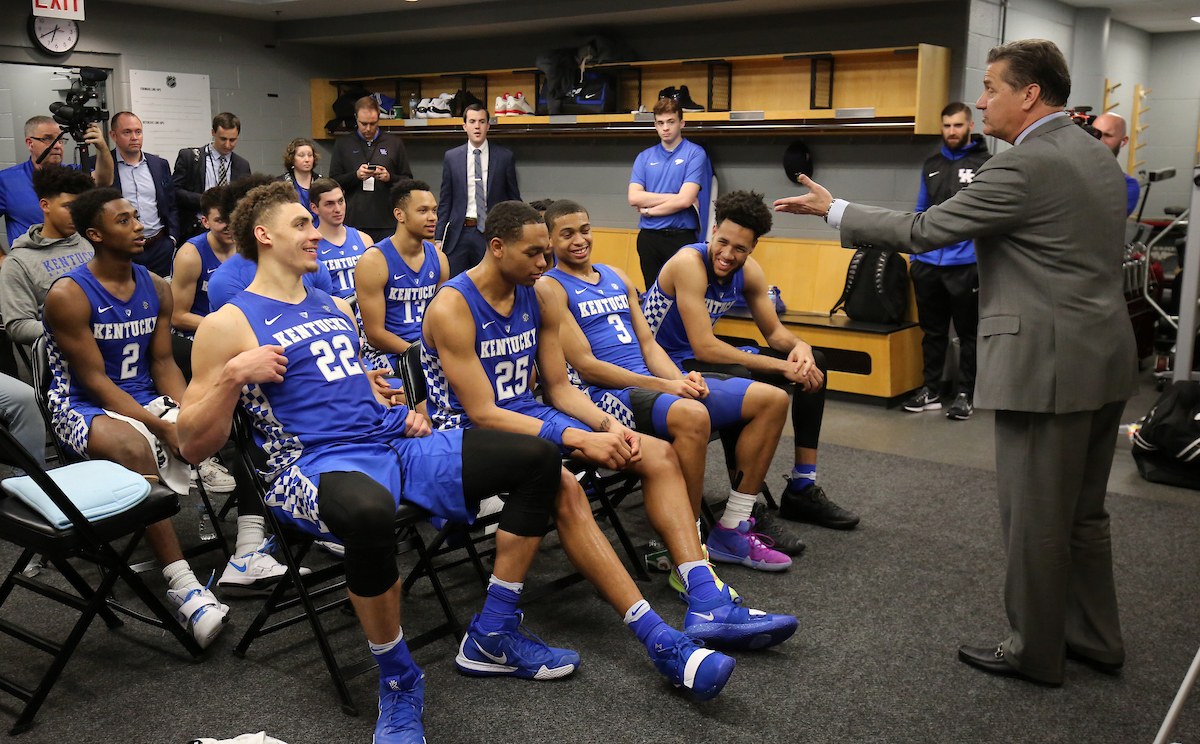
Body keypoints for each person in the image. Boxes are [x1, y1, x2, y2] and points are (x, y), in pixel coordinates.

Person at [175, 183, 722, 742]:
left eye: (313, 223)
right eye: (301, 224)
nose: (316, 232)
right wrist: (231, 376)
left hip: (391, 441)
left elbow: (339, 380)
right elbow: (191, 444)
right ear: (264, 235)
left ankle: (495, 630)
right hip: (309, 464)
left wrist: (380, 393)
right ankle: (397, 679)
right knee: (367, 514)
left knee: (537, 459)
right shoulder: (228, 323)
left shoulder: (330, 306)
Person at [773, 39, 1137, 687]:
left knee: (1035, 517)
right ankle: (1095, 637)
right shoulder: (1097, 153)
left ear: (1029, 94)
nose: (980, 100)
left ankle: (1036, 650)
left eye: (992, 87)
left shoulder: (1022, 166)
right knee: (1083, 513)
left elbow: (924, 232)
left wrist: (835, 210)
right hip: (1105, 357)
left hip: (1044, 367)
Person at [422, 199, 796, 656]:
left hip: (531, 416)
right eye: (535, 253)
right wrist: (578, 436)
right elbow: (483, 412)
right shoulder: (453, 306)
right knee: (564, 486)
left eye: (547, 253)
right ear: (497, 247)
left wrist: (605, 427)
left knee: (654, 454)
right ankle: (656, 636)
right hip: (467, 432)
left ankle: (704, 595)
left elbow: (559, 388)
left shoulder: (536, 293)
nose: (545, 264)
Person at [540, 199, 804, 566]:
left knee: (771, 400)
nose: (579, 240)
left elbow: (649, 345)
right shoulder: (550, 288)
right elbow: (587, 367)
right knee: (693, 416)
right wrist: (665, 387)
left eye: (584, 230)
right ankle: (686, 543)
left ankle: (732, 528)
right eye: (566, 234)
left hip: (653, 383)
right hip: (609, 395)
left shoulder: (616, 275)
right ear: (550, 242)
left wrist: (681, 379)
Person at [41, 188, 231, 647]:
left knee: (225, 411)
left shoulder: (157, 286)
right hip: (79, 403)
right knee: (131, 445)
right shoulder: (68, 295)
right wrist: (161, 426)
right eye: (123, 220)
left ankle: (248, 547)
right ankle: (183, 584)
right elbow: (95, 382)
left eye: (135, 216)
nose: (138, 225)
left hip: (140, 395)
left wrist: (189, 412)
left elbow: (163, 364)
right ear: (95, 235)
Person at [643, 190, 860, 532]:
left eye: (740, 248)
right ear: (713, 232)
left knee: (814, 361)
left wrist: (799, 347)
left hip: (697, 358)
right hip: (661, 365)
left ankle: (802, 485)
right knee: (742, 375)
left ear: (753, 248)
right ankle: (742, 502)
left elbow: (775, 334)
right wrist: (781, 366)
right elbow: (704, 347)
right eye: (724, 242)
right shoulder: (689, 263)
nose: (728, 255)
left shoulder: (750, 272)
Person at [902, 102, 990, 421]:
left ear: (970, 126)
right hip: (927, 264)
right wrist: (914, 256)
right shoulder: (932, 164)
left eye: (958, 125)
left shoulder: (985, 163)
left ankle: (965, 392)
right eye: (947, 126)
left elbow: (987, 216)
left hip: (965, 265)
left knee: (968, 332)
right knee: (933, 331)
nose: (952, 131)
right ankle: (932, 390)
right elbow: (920, 211)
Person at [356, 179, 447, 373]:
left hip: (428, 349)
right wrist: (420, 354)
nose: (433, 217)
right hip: (386, 353)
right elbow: (375, 334)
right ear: (400, 215)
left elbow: (443, 319)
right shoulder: (373, 261)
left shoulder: (439, 258)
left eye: (434, 210)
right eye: (423, 211)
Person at [206, 175, 334, 311]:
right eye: (300, 225)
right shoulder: (227, 281)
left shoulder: (314, 268)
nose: (317, 235)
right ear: (263, 234)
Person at [1, 165, 95, 349]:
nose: (76, 214)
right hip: (59, 359)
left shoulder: (90, 242)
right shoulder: (19, 262)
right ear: (45, 205)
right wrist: (75, 332)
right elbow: (17, 326)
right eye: (68, 206)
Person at [628, 97, 712, 287]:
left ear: (681, 123)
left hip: (681, 236)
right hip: (649, 237)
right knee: (653, 295)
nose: (665, 128)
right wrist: (676, 197)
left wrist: (649, 210)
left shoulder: (695, 153)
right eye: (660, 123)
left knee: (684, 294)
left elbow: (685, 201)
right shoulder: (644, 157)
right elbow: (634, 197)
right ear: (655, 125)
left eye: (671, 122)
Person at [0, 116, 113, 248]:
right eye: (48, 139)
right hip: (32, 262)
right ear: (30, 143)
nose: (57, 145)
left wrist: (102, 148)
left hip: (74, 257)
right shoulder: (7, 180)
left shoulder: (73, 175)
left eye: (60, 140)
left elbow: (104, 181)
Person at [435, 104, 521, 277]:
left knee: (489, 281)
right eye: (472, 121)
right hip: (459, 233)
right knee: (454, 284)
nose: (477, 126)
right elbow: (446, 199)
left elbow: (514, 200)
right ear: (464, 126)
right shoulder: (452, 157)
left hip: (490, 232)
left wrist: (516, 233)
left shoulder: (504, 157)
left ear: (488, 126)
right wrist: (438, 237)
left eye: (482, 122)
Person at [170, 186, 235, 377]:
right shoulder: (190, 255)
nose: (229, 226)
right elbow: (178, 316)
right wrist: (225, 326)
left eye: (233, 218)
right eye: (221, 220)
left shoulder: (246, 248)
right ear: (205, 222)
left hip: (235, 331)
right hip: (199, 334)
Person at [105, 112, 179, 277]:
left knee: (163, 296)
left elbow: (171, 204)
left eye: (138, 131)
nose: (134, 137)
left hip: (159, 246)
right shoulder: (102, 164)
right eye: (127, 132)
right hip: (122, 249)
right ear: (113, 135)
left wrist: (172, 239)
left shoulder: (159, 165)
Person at [328, 97, 412, 243]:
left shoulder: (394, 143)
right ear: (356, 118)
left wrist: (389, 178)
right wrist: (356, 176)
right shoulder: (343, 144)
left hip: (387, 222)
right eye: (363, 123)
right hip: (354, 222)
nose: (368, 128)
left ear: (379, 118)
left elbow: (409, 182)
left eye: (373, 124)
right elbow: (333, 181)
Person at [173, 113, 250, 239]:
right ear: (213, 132)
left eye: (232, 140)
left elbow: (246, 198)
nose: (227, 145)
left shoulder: (242, 165)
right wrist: (206, 200)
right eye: (223, 139)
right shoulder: (190, 157)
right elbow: (175, 191)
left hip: (229, 231)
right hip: (196, 229)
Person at [310, 178, 372, 301]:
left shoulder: (364, 240)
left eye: (341, 201)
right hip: (332, 313)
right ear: (314, 208)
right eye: (329, 204)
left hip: (363, 312)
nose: (338, 209)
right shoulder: (310, 246)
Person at [1092, 112, 1140, 216]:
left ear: (1123, 141)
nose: (1099, 140)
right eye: (1095, 134)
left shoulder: (1127, 186)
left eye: (1108, 135)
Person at [282, 137, 321, 216]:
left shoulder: (321, 182)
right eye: (301, 156)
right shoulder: (282, 183)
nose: (307, 159)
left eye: (310, 155)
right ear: (292, 158)